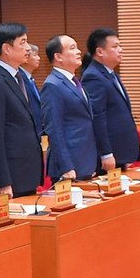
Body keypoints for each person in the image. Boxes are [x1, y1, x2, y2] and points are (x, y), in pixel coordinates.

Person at [0, 22, 44, 198]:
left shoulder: (19, 76)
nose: (28, 48)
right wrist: (2, 181)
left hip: (27, 171)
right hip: (12, 176)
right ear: (6, 49)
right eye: (22, 42)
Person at [80, 27, 140, 170]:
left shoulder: (111, 73)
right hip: (111, 153)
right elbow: (97, 116)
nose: (120, 50)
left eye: (120, 45)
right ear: (100, 51)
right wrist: (106, 153)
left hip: (121, 150)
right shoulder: (93, 76)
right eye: (115, 46)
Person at [42, 34, 100, 181]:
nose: (79, 51)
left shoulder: (75, 81)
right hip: (69, 164)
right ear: (58, 56)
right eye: (72, 48)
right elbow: (54, 129)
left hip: (86, 159)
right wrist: (66, 166)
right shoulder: (53, 84)